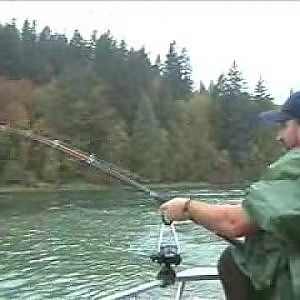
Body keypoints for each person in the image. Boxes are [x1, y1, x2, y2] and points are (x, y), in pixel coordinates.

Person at [160, 91, 300, 300]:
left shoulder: (295, 165)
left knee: (233, 261)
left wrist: (187, 208)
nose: (278, 136)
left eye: (283, 126)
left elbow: (235, 223)